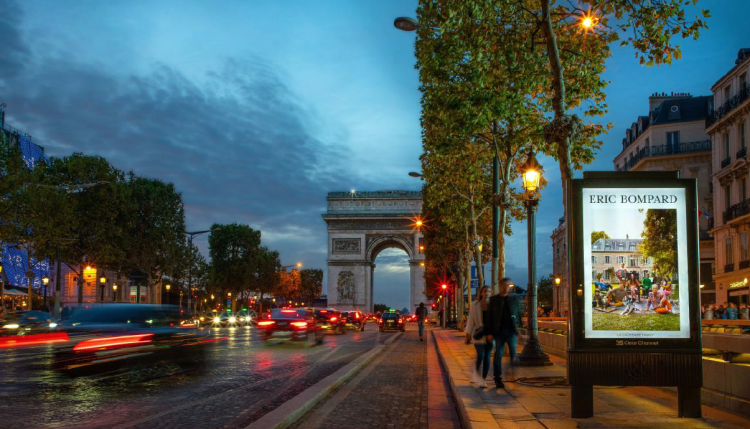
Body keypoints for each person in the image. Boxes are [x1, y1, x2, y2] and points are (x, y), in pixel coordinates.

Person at [486, 278, 522, 389]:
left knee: (513, 353)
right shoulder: (494, 300)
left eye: (508, 285)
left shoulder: (514, 299)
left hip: (511, 331)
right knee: (498, 354)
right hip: (499, 331)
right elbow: (489, 318)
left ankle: (512, 370)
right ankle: (498, 378)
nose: (506, 287)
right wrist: (489, 333)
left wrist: (519, 331)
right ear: (500, 286)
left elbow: (518, 315)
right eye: (505, 285)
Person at [465, 286, 492, 388]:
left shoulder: (493, 305)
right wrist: (467, 335)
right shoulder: (474, 305)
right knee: (481, 355)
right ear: (481, 293)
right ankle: (476, 374)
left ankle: (483, 379)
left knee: (487, 357)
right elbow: (470, 320)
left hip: (489, 335)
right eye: (485, 291)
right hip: (478, 334)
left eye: (489, 291)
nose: (487, 293)